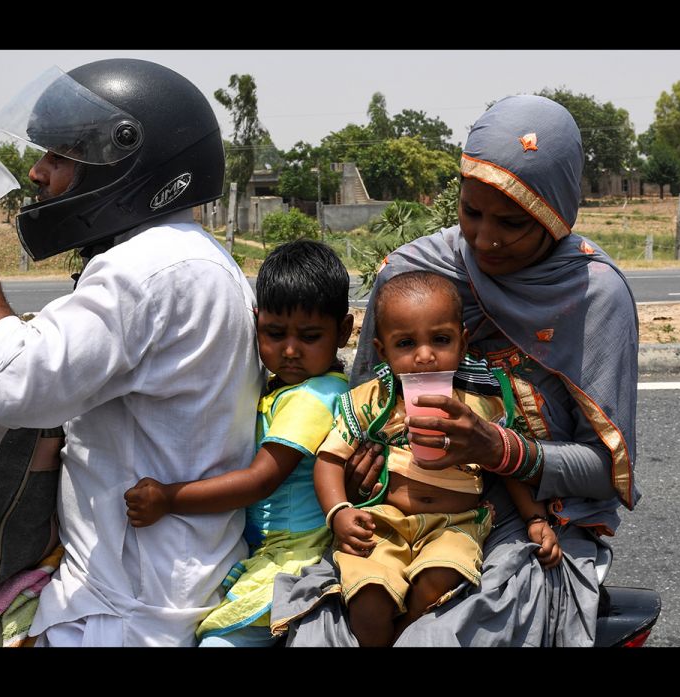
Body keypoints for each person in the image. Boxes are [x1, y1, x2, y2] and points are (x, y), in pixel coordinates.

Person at [0, 59, 264, 646]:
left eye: (60, 156)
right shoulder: (186, 256)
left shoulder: (148, 269)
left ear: (126, 160)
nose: (37, 172)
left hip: (126, 608)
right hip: (155, 579)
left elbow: (11, 385)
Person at [272, 94, 639, 647]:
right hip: (394, 512)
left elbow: (604, 466)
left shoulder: (595, 295)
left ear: (556, 212)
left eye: (513, 222)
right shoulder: (414, 273)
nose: (485, 239)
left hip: (526, 522)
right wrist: (360, 472)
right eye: (471, 212)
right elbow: (367, 408)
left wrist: (500, 450)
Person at [124, 239, 353, 647]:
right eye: (274, 333)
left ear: (344, 331)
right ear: (255, 322)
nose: (289, 350)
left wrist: (169, 498)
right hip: (272, 553)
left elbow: (259, 482)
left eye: (310, 336)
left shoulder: (314, 397)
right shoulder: (283, 389)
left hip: (294, 558)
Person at [315, 270, 561, 646]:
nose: (425, 356)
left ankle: (403, 633)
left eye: (441, 340)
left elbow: (505, 465)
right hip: (383, 523)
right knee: (368, 601)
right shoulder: (374, 400)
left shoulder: (482, 400)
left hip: (455, 524)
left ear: (463, 343)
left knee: (439, 580)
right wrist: (340, 513)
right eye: (406, 343)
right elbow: (330, 458)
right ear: (383, 351)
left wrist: (535, 517)